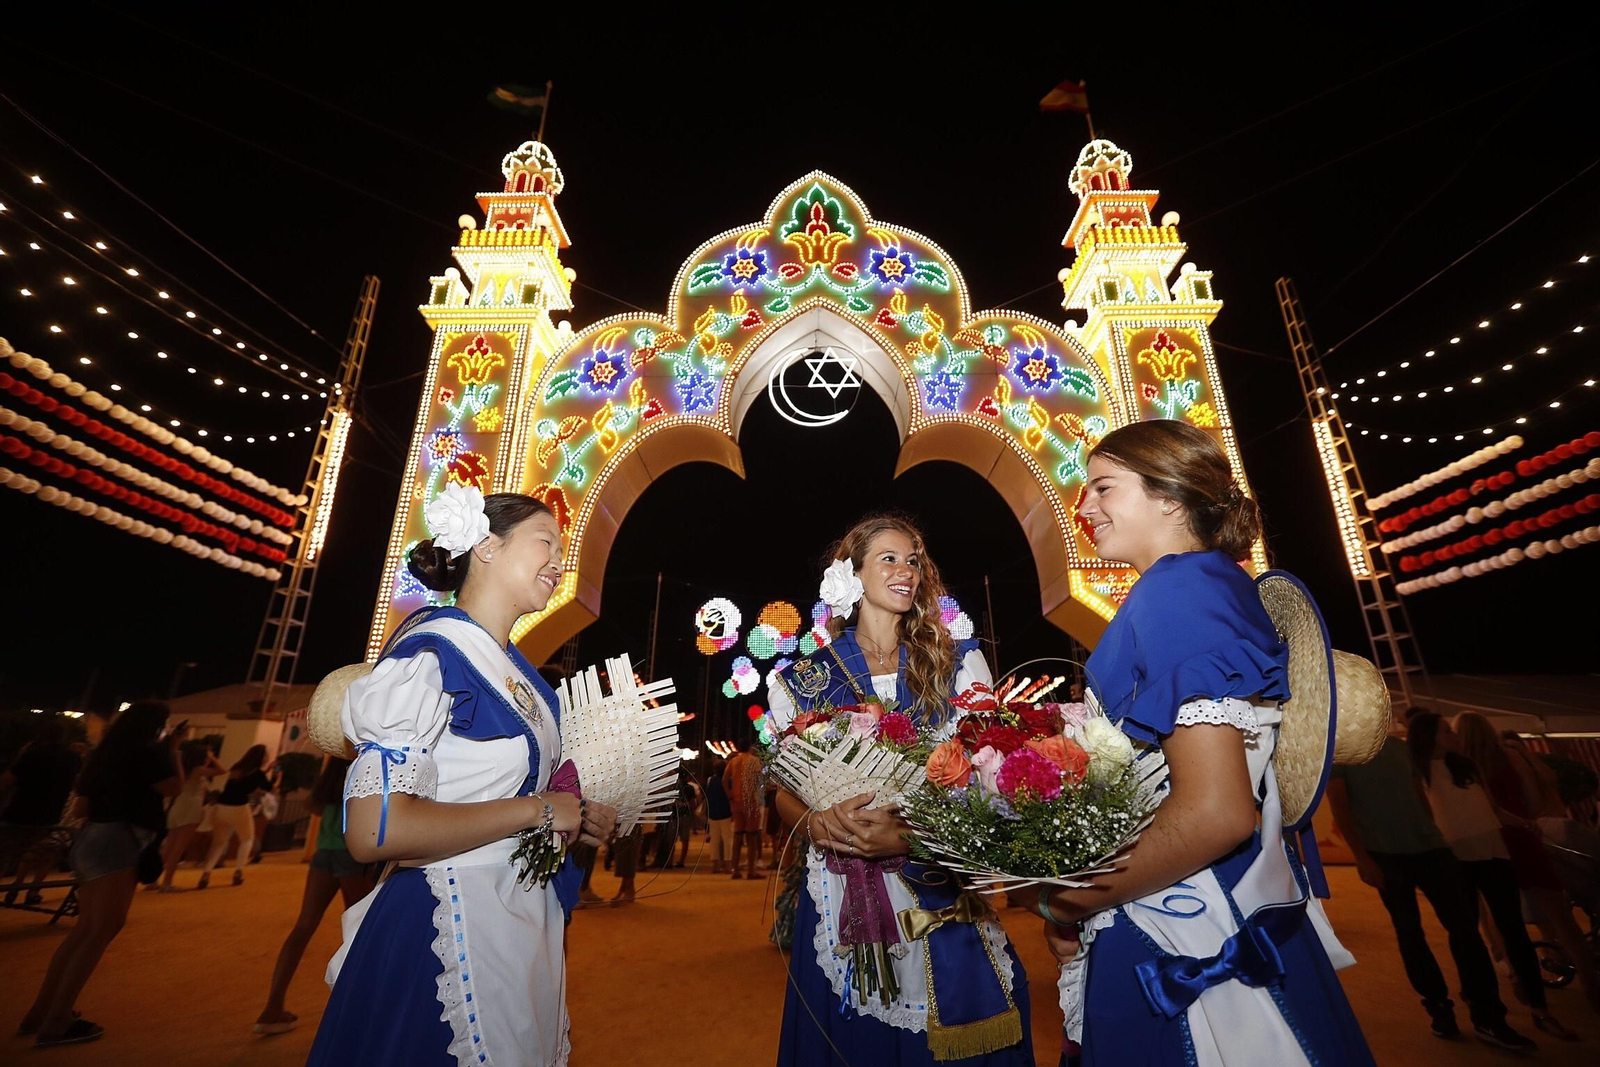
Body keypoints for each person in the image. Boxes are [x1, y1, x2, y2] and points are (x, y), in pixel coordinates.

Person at [1040, 420, 1373, 1065]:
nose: (1082, 507)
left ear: (1169, 496)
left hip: (1191, 932)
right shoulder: (1203, 583)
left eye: (1103, 488)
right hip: (1208, 904)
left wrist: (1071, 897)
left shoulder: (1178, 590)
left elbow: (1217, 811)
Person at [307, 486, 617, 1066]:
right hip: (441, 925)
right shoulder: (431, 654)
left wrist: (572, 817)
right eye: (545, 541)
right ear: (486, 545)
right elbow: (375, 831)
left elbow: (508, 797)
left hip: (516, 924)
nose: (559, 561)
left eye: (563, 548)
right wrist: (537, 811)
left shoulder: (518, 675)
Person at [770, 513, 1033, 1067]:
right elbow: (783, 785)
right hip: (841, 890)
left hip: (939, 877)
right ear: (851, 572)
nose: (906, 571)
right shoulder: (805, 677)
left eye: (914, 560)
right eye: (888, 558)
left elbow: (985, 775)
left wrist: (910, 832)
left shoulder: (958, 664)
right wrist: (813, 822)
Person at [1326, 714, 1533, 1049]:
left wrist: (1433, 829)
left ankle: (1488, 1016)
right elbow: (1341, 808)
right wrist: (1362, 858)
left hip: (1431, 848)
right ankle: (1438, 1008)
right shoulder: (1340, 755)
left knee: (1465, 928)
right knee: (1411, 933)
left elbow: (1417, 793)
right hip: (1385, 854)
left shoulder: (1400, 748)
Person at [20, 701, 184, 1048]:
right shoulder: (147, 754)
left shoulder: (105, 754)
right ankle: (57, 1020)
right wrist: (174, 751)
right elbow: (174, 788)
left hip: (91, 838)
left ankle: (42, 1010)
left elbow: (80, 803)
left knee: (85, 931)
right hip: (117, 844)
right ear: (155, 727)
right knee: (101, 931)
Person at [1407, 711, 1576, 1039]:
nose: (1454, 736)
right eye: (1446, 732)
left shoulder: (1465, 765)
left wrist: (1525, 824)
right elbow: (1426, 819)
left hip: (1494, 853)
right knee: (1466, 934)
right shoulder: (1417, 772)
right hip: (1456, 860)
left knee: (1513, 930)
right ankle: (1480, 1003)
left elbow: (1492, 810)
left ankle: (1540, 1009)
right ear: (1429, 736)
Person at [1457, 711, 1600, 1014]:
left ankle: (1518, 978)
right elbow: (1534, 801)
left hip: (1493, 845)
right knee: (1563, 918)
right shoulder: (1511, 755)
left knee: (1503, 920)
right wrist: (1525, 819)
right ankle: (1591, 984)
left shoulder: (1463, 766)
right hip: (1525, 837)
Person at [253, 757, 374, 1035]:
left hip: (324, 853)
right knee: (358, 930)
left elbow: (312, 804)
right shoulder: (361, 769)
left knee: (304, 926)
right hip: (353, 856)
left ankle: (273, 1006)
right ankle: (356, 1010)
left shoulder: (331, 776)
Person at [1, 719, 82, 906]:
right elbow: (77, 783)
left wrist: (20, 756)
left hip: (19, 814)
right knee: (46, 850)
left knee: (15, 849)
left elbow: (6, 781)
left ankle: (16, 885)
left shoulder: (33, 755)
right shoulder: (72, 758)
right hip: (51, 816)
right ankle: (34, 890)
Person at [196, 744, 276, 888]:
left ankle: (206, 874)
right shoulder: (257, 774)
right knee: (247, 839)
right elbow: (270, 788)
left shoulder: (237, 768)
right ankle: (238, 871)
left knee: (218, 842)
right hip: (239, 807)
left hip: (221, 807)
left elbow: (241, 784)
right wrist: (277, 775)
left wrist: (266, 770)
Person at [150, 740, 225, 891]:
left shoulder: (185, 769)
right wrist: (212, 758)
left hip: (178, 806)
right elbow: (222, 770)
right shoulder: (198, 770)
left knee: (169, 846)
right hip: (191, 807)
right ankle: (167, 882)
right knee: (179, 847)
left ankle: (154, 880)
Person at [723, 736, 762, 880]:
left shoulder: (733, 761)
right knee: (751, 837)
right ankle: (751, 870)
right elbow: (760, 780)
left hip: (736, 801)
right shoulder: (754, 761)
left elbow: (724, 780)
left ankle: (735, 869)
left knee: (737, 836)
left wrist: (730, 795)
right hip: (751, 803)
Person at [704, 757, 732, 874]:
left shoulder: (710, 780)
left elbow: (707, 796)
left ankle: (715, 865)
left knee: (714, 840)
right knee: (727, 840)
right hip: (725, 812)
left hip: (713, 813)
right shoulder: (728, 781)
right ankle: (727, 865)